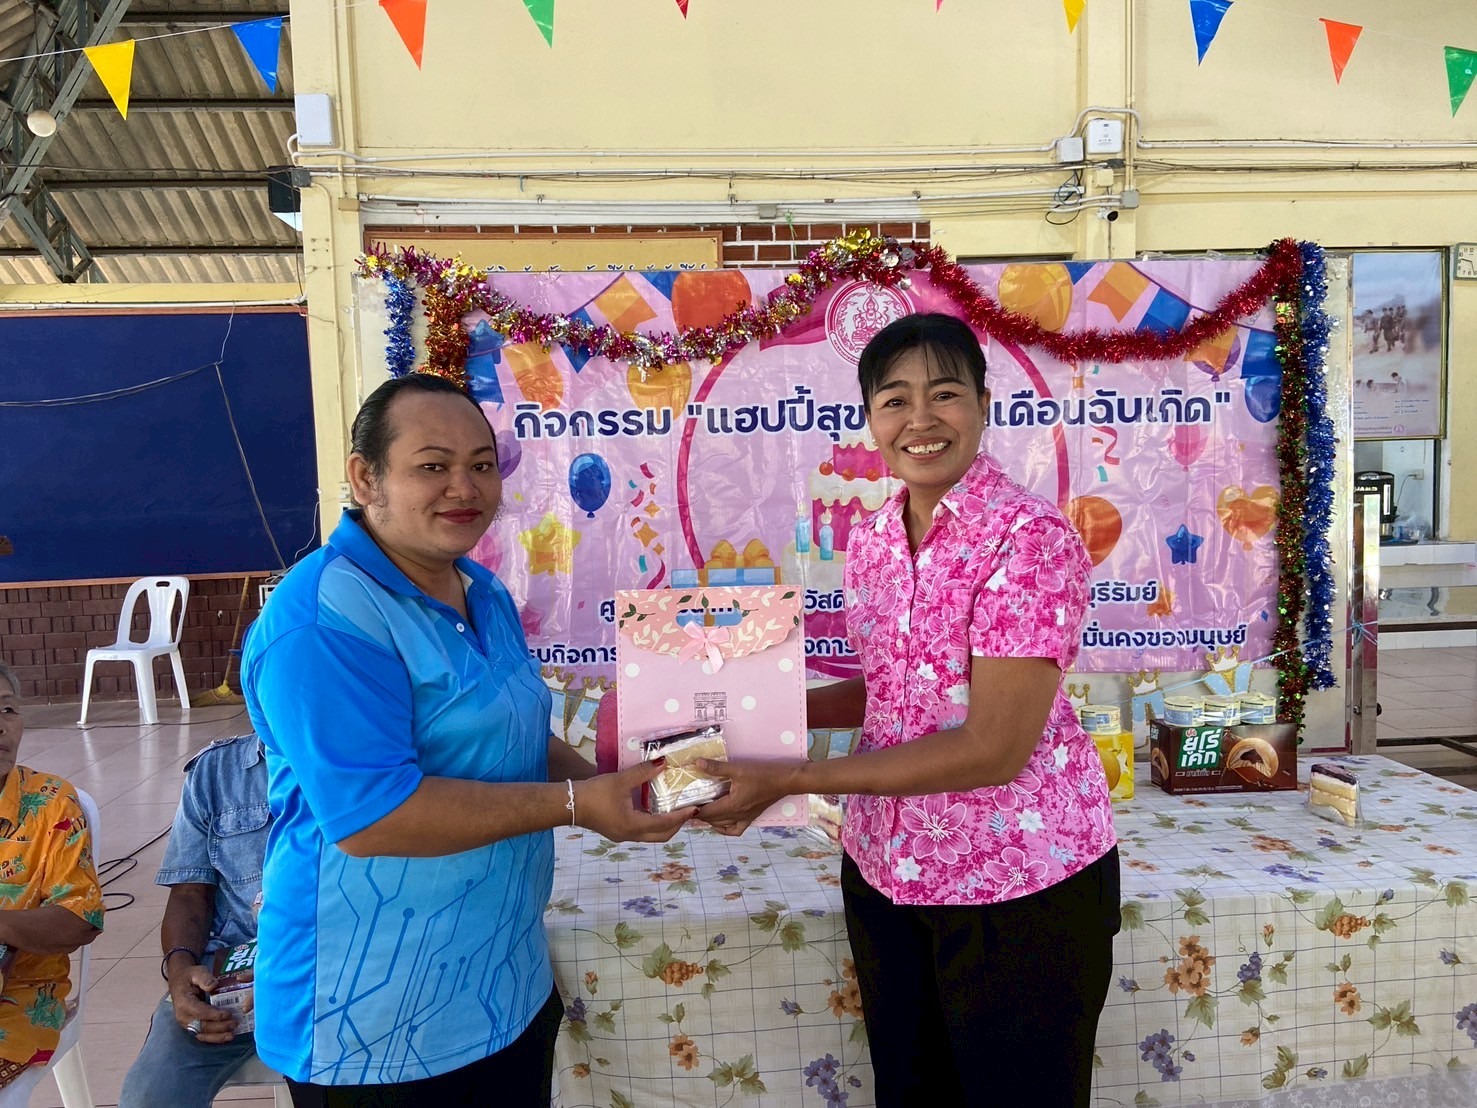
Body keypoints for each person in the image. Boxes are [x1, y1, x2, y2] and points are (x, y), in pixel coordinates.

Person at [697, 313, 1121, 1107]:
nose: (919, 419)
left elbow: (992, 746)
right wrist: (740, 714)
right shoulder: (873, 539)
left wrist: (791, 775)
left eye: (944, 394)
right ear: (870, 420)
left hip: (1015, 886)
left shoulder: (1027, 539)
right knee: (910, 1093)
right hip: (885, 873)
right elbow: (898, 687)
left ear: (984, 405)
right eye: (894, 400)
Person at [242, 373, 694, 1106]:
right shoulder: (326, 620)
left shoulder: (479, 590)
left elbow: (514, 733)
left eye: (482, 464)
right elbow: (374, 816)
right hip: (373, 1017)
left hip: (500, 980)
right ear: (366, 477)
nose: (465, 487)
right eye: (433, 465)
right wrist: (579, 805)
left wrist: (618, 783)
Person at [118, 733, 270, 1108]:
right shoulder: (216, 770)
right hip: (232, 983)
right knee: (151, 1099)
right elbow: (189, 892)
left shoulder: (374, 757)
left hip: (338, 975)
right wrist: (180, 972)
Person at [0, 661, 104, 1087]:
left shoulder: (50, 804)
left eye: (8, 710)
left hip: (20, 998)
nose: (0, 726)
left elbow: (80, 919)